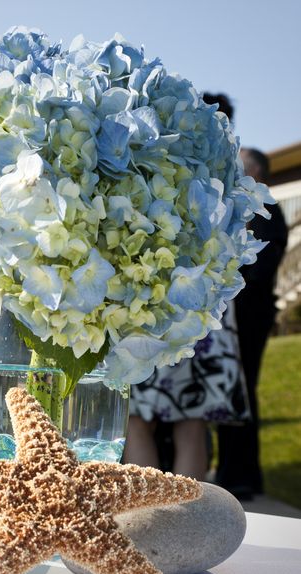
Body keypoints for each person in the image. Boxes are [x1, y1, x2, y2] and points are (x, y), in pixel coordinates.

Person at [123, 92, 249, 481]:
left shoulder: (162, 155)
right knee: (191, 424)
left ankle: (149, 518)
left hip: (153, 300)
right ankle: (183, 522)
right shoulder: (231, 172)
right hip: (206, 308)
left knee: (137, 420)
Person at [216, 148, 288, 499]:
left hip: (249, 315)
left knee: (240, 390)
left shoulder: (265, 210)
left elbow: (258, 266)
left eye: (242, 161)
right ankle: (239, 472)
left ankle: (240, 476)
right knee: (234, 391)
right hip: (241, 314)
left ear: (256, 170)